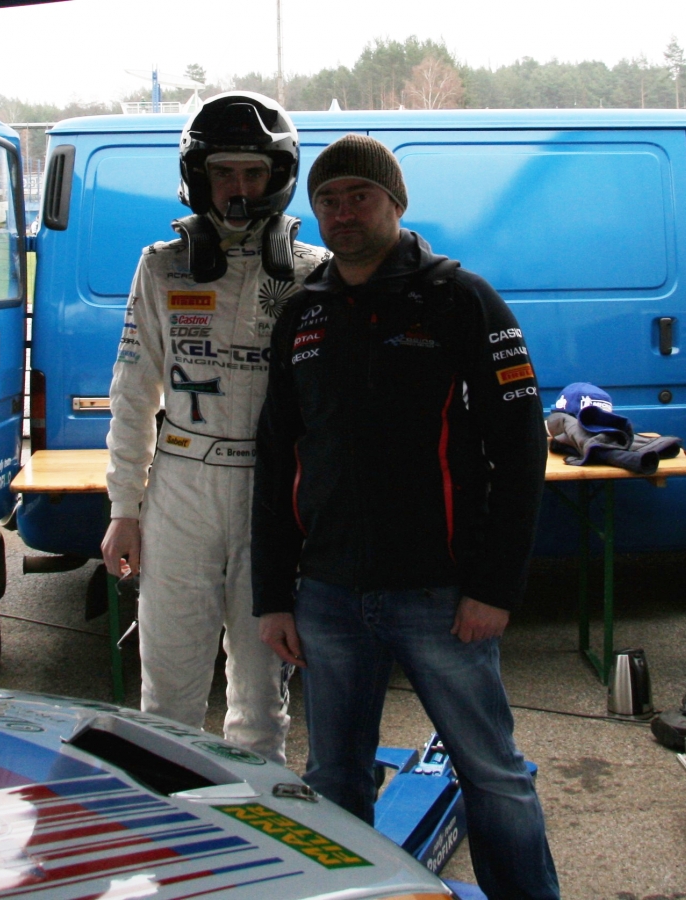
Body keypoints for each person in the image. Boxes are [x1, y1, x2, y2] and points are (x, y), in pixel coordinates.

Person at [252, 134, 560, 899]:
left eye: (359, 195)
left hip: (440, 596)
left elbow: (522, 449)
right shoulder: (303, 314)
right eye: (328, 200)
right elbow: (278, 460)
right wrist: (272, 595)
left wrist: (495, 587)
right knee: (333, 778)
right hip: (328, 597)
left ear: (395, 203)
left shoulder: (461, 300)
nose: (343, 212)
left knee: (492, 774)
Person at [102, 92, 328, 764]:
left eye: (253, 173)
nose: (238, 188)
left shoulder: (313, 273)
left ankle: (256, 812)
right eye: (223, 172)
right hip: (181, 487)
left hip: (272, 494)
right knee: (168, 690)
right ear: (198, 176)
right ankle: (169, 808)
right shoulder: (161, 266)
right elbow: (132, 393)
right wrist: (123, 509)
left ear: (277, 175)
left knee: (260, 699)